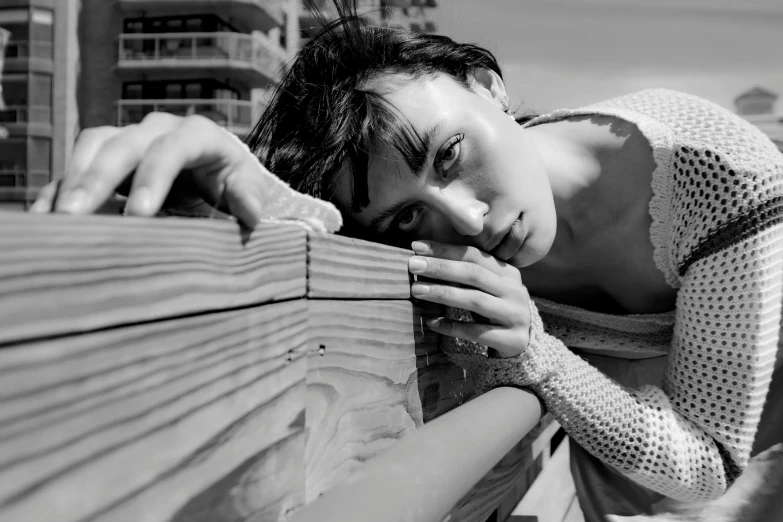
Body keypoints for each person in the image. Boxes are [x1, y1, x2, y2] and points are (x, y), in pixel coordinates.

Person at [30, 6, 782, 521]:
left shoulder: (717, 174)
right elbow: (328, 240)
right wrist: (233, 183)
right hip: (602, 472)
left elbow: (709, 465)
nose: (468, 221)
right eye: (407, 216)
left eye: (450, 154)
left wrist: (541, 358)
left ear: (489, 87)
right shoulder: (427, 236)